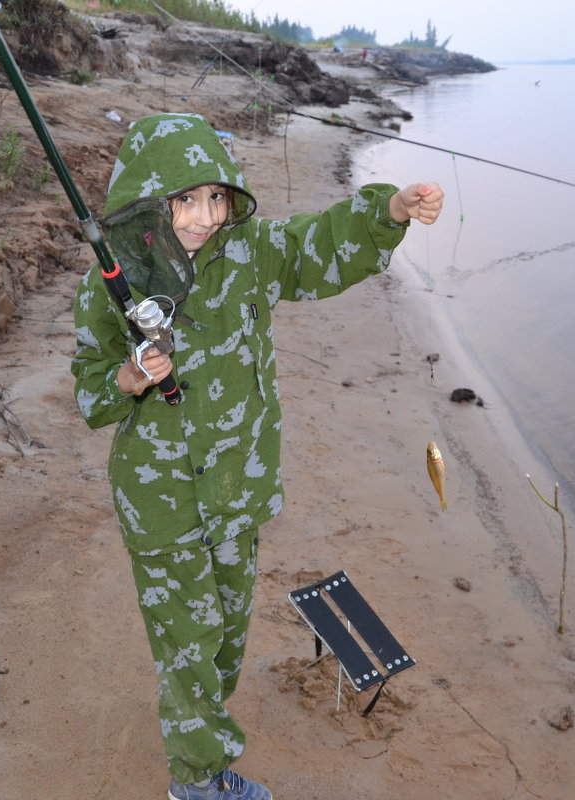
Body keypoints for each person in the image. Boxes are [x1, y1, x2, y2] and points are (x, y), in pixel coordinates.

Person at [70, 112, 443, 800]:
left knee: (226, 637)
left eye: (217, 196)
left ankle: (201, 729)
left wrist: (388, 210)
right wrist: (128, 378)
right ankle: (198, 782)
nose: (206, 215)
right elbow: (90, 390)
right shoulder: (109, 284)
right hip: (163, 501)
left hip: (237, 489)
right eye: (186, 199)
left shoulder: (251, 252)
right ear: (151, 200)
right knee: (189, 644)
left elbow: (317, 250)